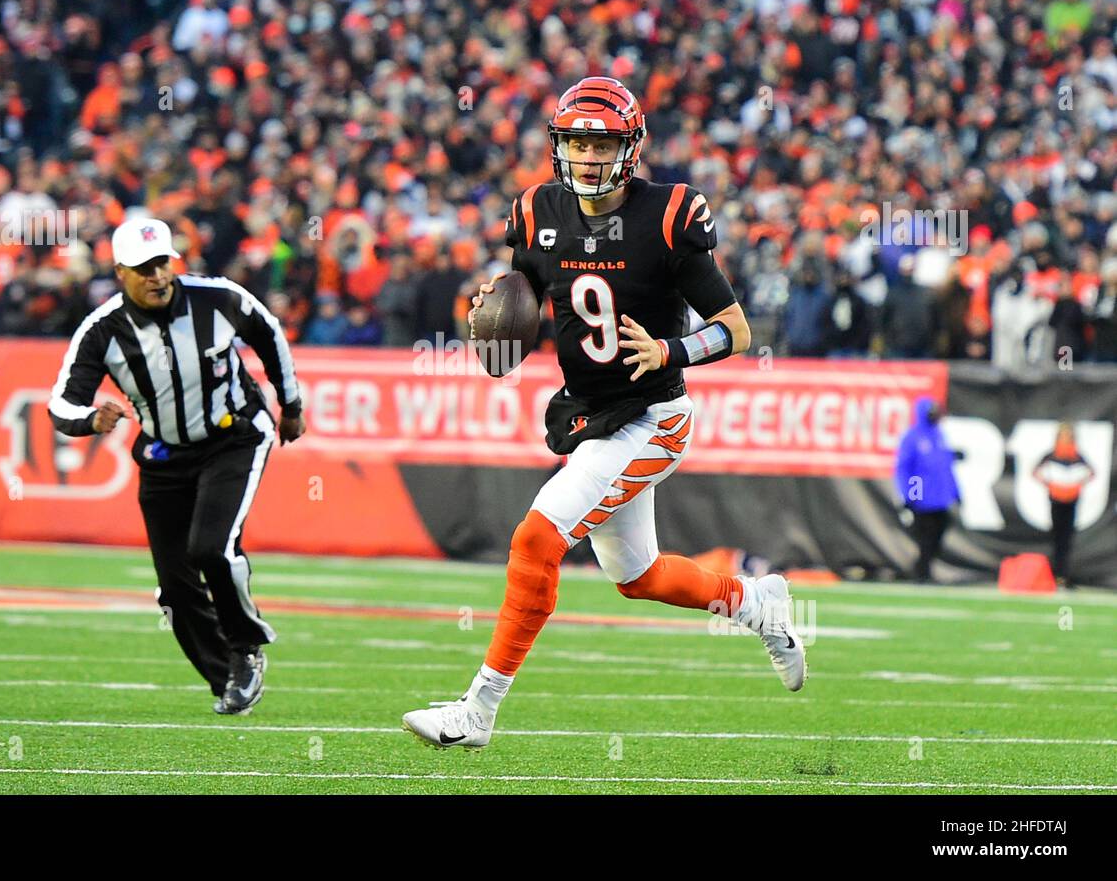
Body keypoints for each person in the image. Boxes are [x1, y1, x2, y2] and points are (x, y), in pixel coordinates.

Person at [402, 77, 806, 751]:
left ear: (631, 147)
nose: (588, 157)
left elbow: (736, 329)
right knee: (636, 576)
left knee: (536, 541)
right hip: (591, 414)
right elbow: (525, 303)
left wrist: (671, 348)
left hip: (653, 415)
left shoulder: (669, 215)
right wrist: (489, 317)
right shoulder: (535, 212)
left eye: (602, 142)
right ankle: (757, 606)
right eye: (576, 142)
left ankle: (477, 713)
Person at [48, 217, 305, 715]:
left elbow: (268, 334)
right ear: (120, 272)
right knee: (174, 587)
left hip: (234, 437)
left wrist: (290, 404)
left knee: (211, 547)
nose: (158, 276)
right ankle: (229, 675)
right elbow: (62, 403)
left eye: (162, 262)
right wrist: (90, 418)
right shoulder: (102, 330)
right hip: (165, 455)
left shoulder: (218, 298)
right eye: (144, 268)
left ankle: (246, 645)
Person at [893, 397, 960, 582]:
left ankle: (923, 568)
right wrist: (912, 496)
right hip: (923, 497)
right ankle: (921, 572)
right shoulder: (912, 437)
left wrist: (956, 492)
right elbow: (906, 468)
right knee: (925, 537)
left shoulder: (939, 435)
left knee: (939, 534)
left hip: (940, 497)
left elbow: (947, 467)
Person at [1033, 423, 1095, 589]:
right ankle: (1054, 575)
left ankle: (1063, 576)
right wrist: (1052, 486)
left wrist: (1075, 486)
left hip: (1071, 500)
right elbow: (1035, 471)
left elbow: (1092, 473)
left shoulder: (1077, 456)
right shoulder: (1052, 455)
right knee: (1057, 538)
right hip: (1056, 500)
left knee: (1066, 539)